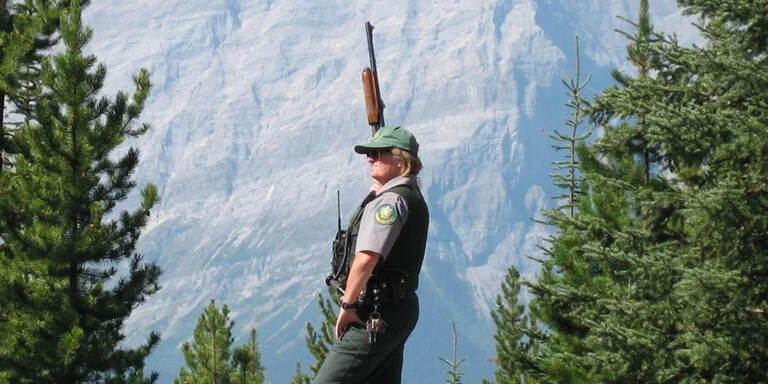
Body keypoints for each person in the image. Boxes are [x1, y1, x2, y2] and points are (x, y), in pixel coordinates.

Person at [314, 126, 429, 384]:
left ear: (400, 160)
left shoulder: (391, 202)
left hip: (376, 312)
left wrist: (348, 304)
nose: (370, 158)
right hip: (396, 307)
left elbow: (367, 257)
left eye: (378, 153)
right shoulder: (407, 196)